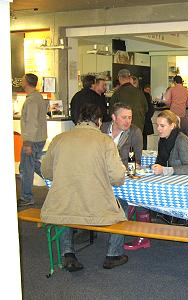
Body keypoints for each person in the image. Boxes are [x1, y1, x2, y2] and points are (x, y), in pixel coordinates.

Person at [40, 103, 129, 272]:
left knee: (64, 204)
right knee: (123, 205)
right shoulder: (105, 141)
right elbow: (118, 178)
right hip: (96, 207)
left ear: (78, 120)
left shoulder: (59, 139)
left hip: (62, 205)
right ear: (99, 121)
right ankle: (113, 254)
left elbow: (46, 172)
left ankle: (68, 253)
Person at [100, 103, 150, 251]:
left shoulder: (135, 132)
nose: (128, 121)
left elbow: (136, 160)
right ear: (114, 117)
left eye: (130, 117)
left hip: (120, 176)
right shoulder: (101, 129)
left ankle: (138, 234)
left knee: (135, 196)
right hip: (99, 174)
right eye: (124, 117)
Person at [17, 73, 48, 207]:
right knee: (33, 163)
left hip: (33, 139)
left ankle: (26, 196)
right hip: (38, 138)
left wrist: (27, 143)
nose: (21, 81)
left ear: (26, 82)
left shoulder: (31, 101)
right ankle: (54, 180)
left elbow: (31, 123)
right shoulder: (37, 98)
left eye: (22, 80)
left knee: (26, 167)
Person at [151, 110, 188, 176]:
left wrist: (165, 170)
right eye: (157, 125)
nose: (158, 129)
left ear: (172, 126)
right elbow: (159, 163)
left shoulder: (182, 140)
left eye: (162, 126)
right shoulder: (162, 140)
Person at [142, 84, 155, 150]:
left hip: (142, 121)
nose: (148, 91)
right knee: (144, 140)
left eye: (149, 90)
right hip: (145, 122)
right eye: (147, 89)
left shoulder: (141, 95)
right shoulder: (147, 96)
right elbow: (151, 110)